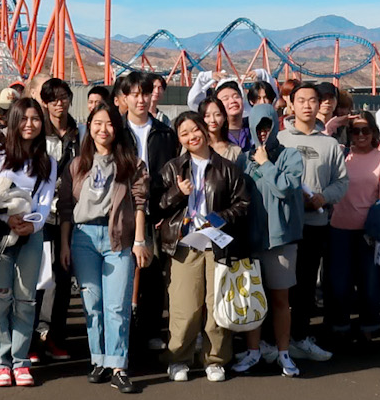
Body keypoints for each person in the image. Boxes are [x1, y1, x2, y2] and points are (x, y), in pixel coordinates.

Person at [148, 110, 252, 383]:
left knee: (217, 305)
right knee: (184, 306)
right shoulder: (172, 168)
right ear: (180, 139)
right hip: (183, 244)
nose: (191, 137)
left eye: (195, 130)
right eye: (184, 133)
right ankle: (179, 358)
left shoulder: (227, 168)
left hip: (217, 243)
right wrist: (176, 194)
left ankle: (215, 359)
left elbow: (243, 203)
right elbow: (156, 206)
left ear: (205, 131)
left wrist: (218, 219)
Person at [54, 101, 149, 393]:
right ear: (89, 127)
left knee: (117, 305)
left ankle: (118, 365)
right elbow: (67, 209)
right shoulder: (77, 164)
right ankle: (99, 359)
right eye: (97, 123)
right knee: (91, 304)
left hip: (117, 237)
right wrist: (65, 244)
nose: (102, 129)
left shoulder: (132, 163)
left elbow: (141, 203)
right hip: (83, 237)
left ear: (116, 129)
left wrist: (140, 241)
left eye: (108, 124)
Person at [0, 97, 58, 387]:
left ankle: (21, 361)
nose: (30, 124)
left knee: (25, 299)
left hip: (31, 237)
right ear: (13, 121)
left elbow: (46, 203)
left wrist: (32, 224)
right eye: (23, 118)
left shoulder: (48, 161)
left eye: (35, 119)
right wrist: (6, 219)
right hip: (0, 234)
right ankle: (0, 362)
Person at [280, 81, 348, 365]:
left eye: (312, 101)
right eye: (301, 100)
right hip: (284, 225)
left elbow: (342, 181)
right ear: (291, 105)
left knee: (307, 284)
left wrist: (323, 197)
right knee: (282, 286)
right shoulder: (280, 140)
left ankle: (301, 338)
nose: (307, 105)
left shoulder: (330, 144)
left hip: (316, 223)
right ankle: (278, 341)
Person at [240, 102, 309, 376]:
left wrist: (266, 164)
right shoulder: (242, 158)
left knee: (281, 300)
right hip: (251, 238)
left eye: (268, 126)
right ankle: (253, 352)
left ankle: (284, 353)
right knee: (253, 301)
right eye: (258, 128)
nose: (263, 133)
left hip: (281, 240)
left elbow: (285, 188)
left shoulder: (290, 156)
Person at [117, 72, 179, 370]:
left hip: (156, 212)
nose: (141, 99)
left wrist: (165, 210)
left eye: (145, 93)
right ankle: (124, 334)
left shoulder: (165, 134)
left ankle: (151, 331)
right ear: (124, 97)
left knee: (153, 274)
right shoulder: (115, 132)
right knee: (122, 274)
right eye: (134, 94)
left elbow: (174, 176)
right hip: (121, 212)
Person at [329, 113, 380, 340]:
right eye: (355, 131)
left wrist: (379, 226)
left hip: (369, 230)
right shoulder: (341, 154)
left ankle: (370, 324)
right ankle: (340, 324)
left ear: (374, 132)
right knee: (339, 282)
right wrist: (333, 124)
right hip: (338, 227)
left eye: (365, 130)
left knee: (370, 280)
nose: (360, 135)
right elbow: (321, 140)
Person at [34, 78, 82, 362]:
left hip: (71, 215)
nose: (59, 103)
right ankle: (31, 340)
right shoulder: (39, 133)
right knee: (39, 279)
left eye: (63, 97)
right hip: (43, 216)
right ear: (45, 102)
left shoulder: (79, 132)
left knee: (63, 279)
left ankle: (56, 337)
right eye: (53, 99)